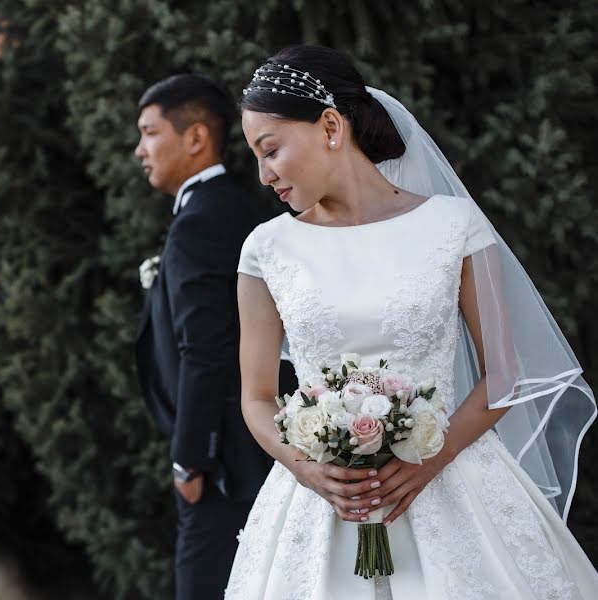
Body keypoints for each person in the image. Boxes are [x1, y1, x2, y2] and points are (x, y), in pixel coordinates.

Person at [226, 44, 598, 599]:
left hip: (453, 486)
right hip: (323, 502)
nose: (263, 174)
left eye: (271, 149)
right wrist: (307, 468)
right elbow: (256, 397)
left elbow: (504, 371)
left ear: (330, 125)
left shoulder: (455, 225)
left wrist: (432, 458)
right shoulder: (266, 249)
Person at [132, 73, 298, 599]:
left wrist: (191, 459)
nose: (140, 150)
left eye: (150, 133)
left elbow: (206, 350)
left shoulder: (202, 220)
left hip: (223, 461)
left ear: (196, 137)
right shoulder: (240, 206)